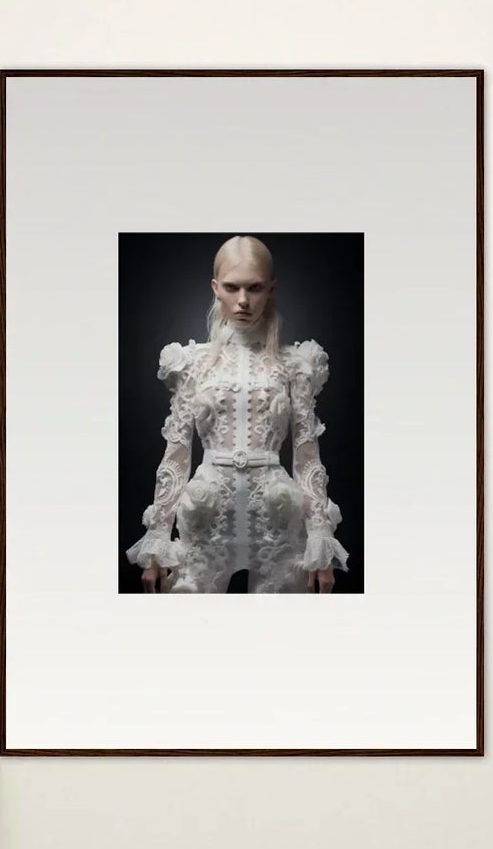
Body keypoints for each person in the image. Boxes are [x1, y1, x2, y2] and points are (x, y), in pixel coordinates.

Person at [126, 235, 349, 595]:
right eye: (232, 287)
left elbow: (307, 458)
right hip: (205, 516)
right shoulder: (193, 364)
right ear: (216, 288)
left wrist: (320, 541)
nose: (243, 300)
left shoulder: (295, 364)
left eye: (254, 287)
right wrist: (157, 540)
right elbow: (177, 455)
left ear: (271, 288)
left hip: (276, 518)